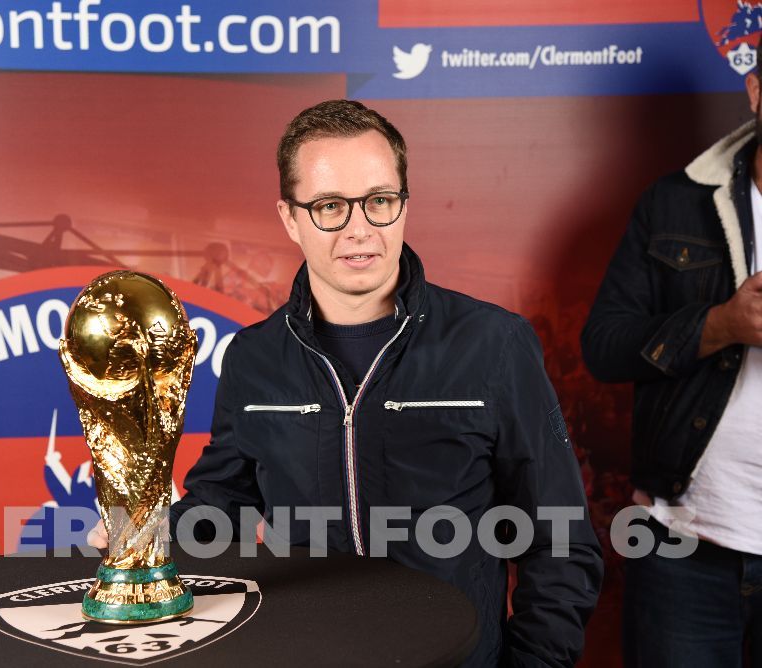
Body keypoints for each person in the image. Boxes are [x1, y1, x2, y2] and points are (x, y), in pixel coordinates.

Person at [93, 99, 602, 666]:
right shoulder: (254, 358)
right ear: (289, 217)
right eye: (330, 206)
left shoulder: (494, 344)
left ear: (404, 205)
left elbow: (561, 540)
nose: (360, 230)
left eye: (380, 202)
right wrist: (145, 534)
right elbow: (227, 501)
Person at [580, 44, 762, 667]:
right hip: (684, 540)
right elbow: (604, 348)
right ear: (757, 93)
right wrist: (722, 324)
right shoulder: (675, 203)